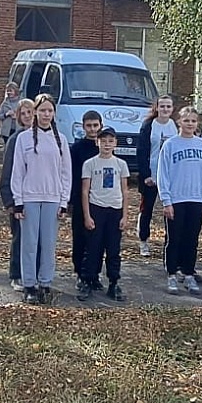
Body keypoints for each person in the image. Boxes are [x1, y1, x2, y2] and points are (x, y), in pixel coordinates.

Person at [12, 94, 72, 305]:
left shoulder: (61, 140)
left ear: (54, 113)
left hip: (52, 198)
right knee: (29, 243)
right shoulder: (24, 138)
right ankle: (29, 285)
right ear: (36, 112)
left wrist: (64, 201)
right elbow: (17, 171)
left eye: (50, 111)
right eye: (43, 110)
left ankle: (45, 283)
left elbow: (66, 173)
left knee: (48, 244)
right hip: (29, 197)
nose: (46, 114)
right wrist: (17, 200)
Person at [157, 106, 202, 295]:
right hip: (176, 199)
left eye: (193, 121)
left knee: (192, 239)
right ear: (179, 122)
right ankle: (172, 274)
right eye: (186, 120)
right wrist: (166, 200)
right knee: (174, 239)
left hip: (197, 199)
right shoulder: (170, 145)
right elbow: (162, 174)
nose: (190, 124)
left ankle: (189, 273)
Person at [79, 127, 130, 301]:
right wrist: (87, 216)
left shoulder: (121, 164)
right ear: (97, 142)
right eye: (103, 140)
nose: (106, 144)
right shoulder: (90, 164)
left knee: (113, 249)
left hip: (114, 210)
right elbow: (85, 191)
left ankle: (114, 283)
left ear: (115, 143)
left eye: (110, 141)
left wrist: (125, 215)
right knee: (93, 248)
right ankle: (88, 280)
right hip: (96, 208)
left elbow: (124, 191)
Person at [0, 97, 36, 292]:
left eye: (31, 112)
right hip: (18, 197)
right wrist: (9, 201)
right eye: (23, 113)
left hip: (39, 197)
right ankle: (16, 274)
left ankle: (34, 274)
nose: (28, 116)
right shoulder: (15, 139)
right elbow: (8, 170)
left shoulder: (46, 137)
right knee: (19, 237)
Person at [134, 95, 178, 258]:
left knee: (170, 209)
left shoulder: (174, 126)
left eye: (168, 106)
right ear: (157, 108)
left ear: (172, 109)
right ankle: (143, 240)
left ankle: (170, 241)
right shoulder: (148, 126)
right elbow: (141, 152)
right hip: (151, 175)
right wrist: (146, 175)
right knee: (147, 210)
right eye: (162, 106)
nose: (165, 109)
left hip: (169, 176)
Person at [69, 110, 104, 297]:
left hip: (101, 201)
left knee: (98, 240)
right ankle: (80, 274)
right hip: (81, 200)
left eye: (95, 125)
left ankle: (94, 273)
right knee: (80, 238)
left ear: (101, 125)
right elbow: (73, 176)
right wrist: (71, 199)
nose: (92, 129)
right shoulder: (77, 149)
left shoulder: (105, 147)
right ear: (83, 127)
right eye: (89, 126)